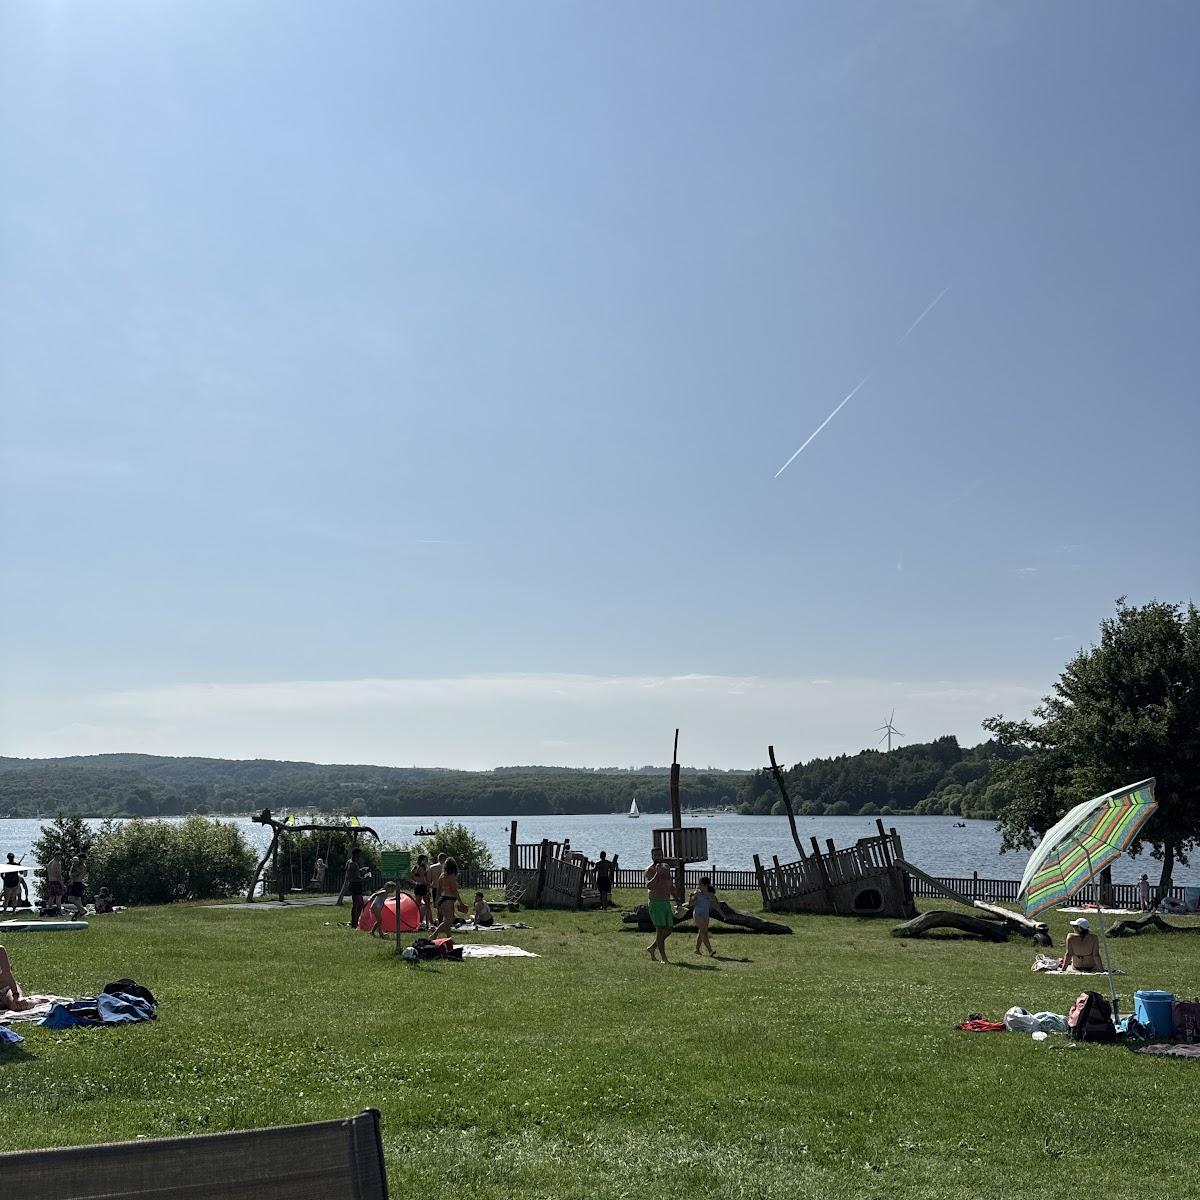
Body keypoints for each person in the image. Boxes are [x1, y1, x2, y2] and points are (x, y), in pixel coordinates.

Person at [645, 847, 675, 963]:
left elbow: (670, 884)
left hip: (666, 902)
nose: (657, 856)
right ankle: (664, 958)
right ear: (652, 856)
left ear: (662, 855)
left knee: (669, 930)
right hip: (655, 903)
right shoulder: (649, 870)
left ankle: (652, 948)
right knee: (660, 929)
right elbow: (649, 886)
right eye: (655, 855)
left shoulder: (666, 868)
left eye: (659, 854)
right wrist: (657, 874)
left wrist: (676, 898)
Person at [433, 857, 468, 938]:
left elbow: (438, 890)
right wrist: (461, 903)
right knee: (450, 919)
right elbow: (454, 891)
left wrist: (436, 901)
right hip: (449, 900)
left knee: (447, 920)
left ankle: (449, 938)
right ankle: (434, 934)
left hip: (442, 899)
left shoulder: (442, 876)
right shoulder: (451, 877)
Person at [691, 875, 717, 958]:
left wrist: (722, 913)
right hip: (698, 915)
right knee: (704, 933)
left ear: (706, 885)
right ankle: (710, 950)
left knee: (701, 932)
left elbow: (715, 903)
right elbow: (691, 904)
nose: (698, 886)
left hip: (705, 915)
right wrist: (691, 897)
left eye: (700, 884)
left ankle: (697, 950)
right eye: (698, 884)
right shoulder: (697, 893)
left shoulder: (709, 894)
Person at [0, 945, 32, 1012]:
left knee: (17, 1006)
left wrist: (15, 994)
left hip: (7, 988)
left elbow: (8, 974)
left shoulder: (1, 950)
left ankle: (39, 1000)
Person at [345, 848, 369, 929]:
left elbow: (352, 873)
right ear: (355, 854)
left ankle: (355, 921)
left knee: (360, 904)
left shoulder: (349, 862)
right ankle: (354, 923)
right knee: (356, 905)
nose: (359, 857)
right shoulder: (353, 864)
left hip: (354, 885)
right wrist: (366, 879)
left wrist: (360, 870)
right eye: (359, 855)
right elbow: (356, 878)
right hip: (356, 885)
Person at [411, 854, 433, 928]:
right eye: (426, 859)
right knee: (427, 905)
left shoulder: (415, 867)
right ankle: (426, 923)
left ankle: (417, 922)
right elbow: (423, 879)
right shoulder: (424, 867)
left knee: (417, 905)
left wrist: (415, 882)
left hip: (418, 887)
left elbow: (411, 876)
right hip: (423, 887)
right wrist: (429, 885)